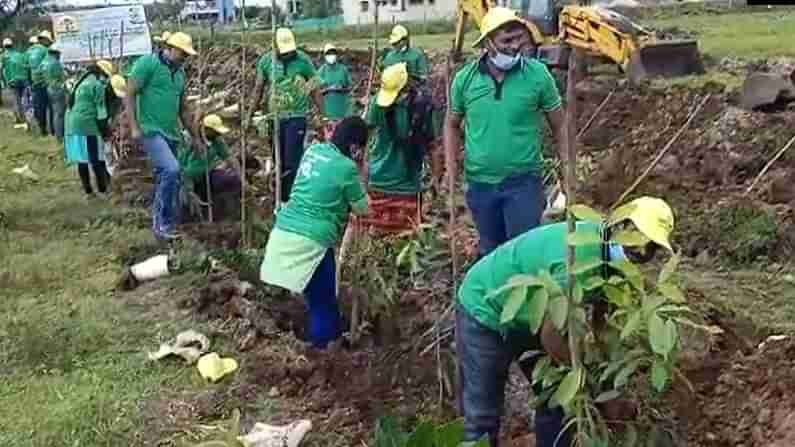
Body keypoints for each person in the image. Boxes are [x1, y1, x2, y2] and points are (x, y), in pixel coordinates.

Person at [456, 196, 675, 447]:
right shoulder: (581, 254)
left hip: (530, 315)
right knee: (481, 417)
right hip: (484, 307)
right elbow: (551, 336)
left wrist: (607, 388)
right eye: (640, 245)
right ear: (622, 226)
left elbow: (601, 327)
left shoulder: (612, 265)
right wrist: (587, 381)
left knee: (556, 399)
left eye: (650, 250)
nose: (642, 254)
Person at [444, 7, 568, 259]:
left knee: (524, 254)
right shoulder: (465, 80)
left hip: (523, 183)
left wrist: (568, 168)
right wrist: (451, 168)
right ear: (488, 42)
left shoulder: (537, 75)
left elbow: (560, 124)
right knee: (492, 254)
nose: (514, 46)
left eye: (518, 39)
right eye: (506, 41)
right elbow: (451, 124)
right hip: (480, 185)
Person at [260, 116, 370, 349]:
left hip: (284, 229)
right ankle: (324, 351)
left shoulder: (313, 150)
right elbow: (363, 209)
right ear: (354, 148)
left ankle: (326, 339)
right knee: (324, 301)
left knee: (315, 296)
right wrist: (361, 171)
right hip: (312, 242)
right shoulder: (347, 167)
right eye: (362, 148)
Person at [124, 31, 201, 240]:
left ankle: (165, 224)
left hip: (172, 133)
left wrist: (195, 137)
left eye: (187, 55)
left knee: (166, 178)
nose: (185, 58)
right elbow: (129, 93)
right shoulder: (147, 64)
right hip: (150, 130)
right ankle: (163, 225)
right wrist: (134, 126)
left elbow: (183, 109)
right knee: (171, 170)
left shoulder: (179, 74)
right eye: (182, 53)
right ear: (169, 48)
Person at [249, 27, 322, 204]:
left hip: (296, 117)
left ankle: (292, 198)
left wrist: (323, 115)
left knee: (291, 159)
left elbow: (315, 89)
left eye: (290, 51)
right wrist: (249, 114)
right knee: (278, 159)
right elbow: (258, 89)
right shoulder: (266, 61)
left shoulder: (303, 60)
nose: (288, 55)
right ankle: (281, 197)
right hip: (274, 118)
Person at [361, 62, 435, 233]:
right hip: (380, 182)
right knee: (387, 238)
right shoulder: (377, 104)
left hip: (406, 184)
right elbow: (363, 140)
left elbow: (433, 146)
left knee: (402, 242)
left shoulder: (422, 108)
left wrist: (436, 180)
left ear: (407, 87)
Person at [64, 60, 117, 199]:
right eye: (106, 75)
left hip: (73, 123)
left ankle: (88, 192)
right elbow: (101, 112)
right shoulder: (97, 85)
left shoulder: (80, 81)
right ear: (101, 72)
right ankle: (103, 190)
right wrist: (105, 131)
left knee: (82, 158)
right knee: (97, 158)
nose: (105, 78)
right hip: (87, 124)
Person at [177, 114, 240, 214]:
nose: (217, 134)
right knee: (185, 204)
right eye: (214, 131)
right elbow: (182, 168)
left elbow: (230, 158)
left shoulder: (216, 140)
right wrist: (189, 189)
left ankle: (222, 211)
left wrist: (241, 177)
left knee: (232, 180)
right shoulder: (188, 139)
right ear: (205, 129)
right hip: (185, 180)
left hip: (207, 175)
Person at [318, 43, 353, 136]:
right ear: (324, 56)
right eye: (328, 54)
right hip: (328, 111)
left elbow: (350, 87)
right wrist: (328, 89)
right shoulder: (322, 71)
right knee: (330, 137)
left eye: (333, 53)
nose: (331, 56)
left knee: (343, 136)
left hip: (342, 110)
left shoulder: (343, 69)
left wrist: (341, 88)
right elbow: (316, 91)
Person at [27, 31, 53, 136]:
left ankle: (42, 129)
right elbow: (48, 66)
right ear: (44, 40)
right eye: (48, 41)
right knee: (51, 106)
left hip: (34, 82)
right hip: (45, 82)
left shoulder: (29, 51)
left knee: (39, 107)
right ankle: (52, 130)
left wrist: (30, 81)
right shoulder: (45, 51)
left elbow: (27, 67)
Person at [42, 42, 65, 140]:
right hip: (57, 89)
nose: (59, 55)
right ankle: (59, 135)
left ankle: (54, 131)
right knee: (59, 113)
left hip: (49, 88)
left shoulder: (44, 62)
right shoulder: (56, 63)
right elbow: (62, 77)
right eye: (59, 53)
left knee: (53, 111)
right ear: (55, 53)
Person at [2, 38, 28, 124]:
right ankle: (23, 117)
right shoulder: (19, 54)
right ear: (12, 45)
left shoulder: (3, 56)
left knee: (16, 100)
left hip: (13, 81)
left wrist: (4, 81)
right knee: (22, 100)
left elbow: (1, 68)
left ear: (4, 46)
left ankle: (21, 119)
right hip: (23, 80)